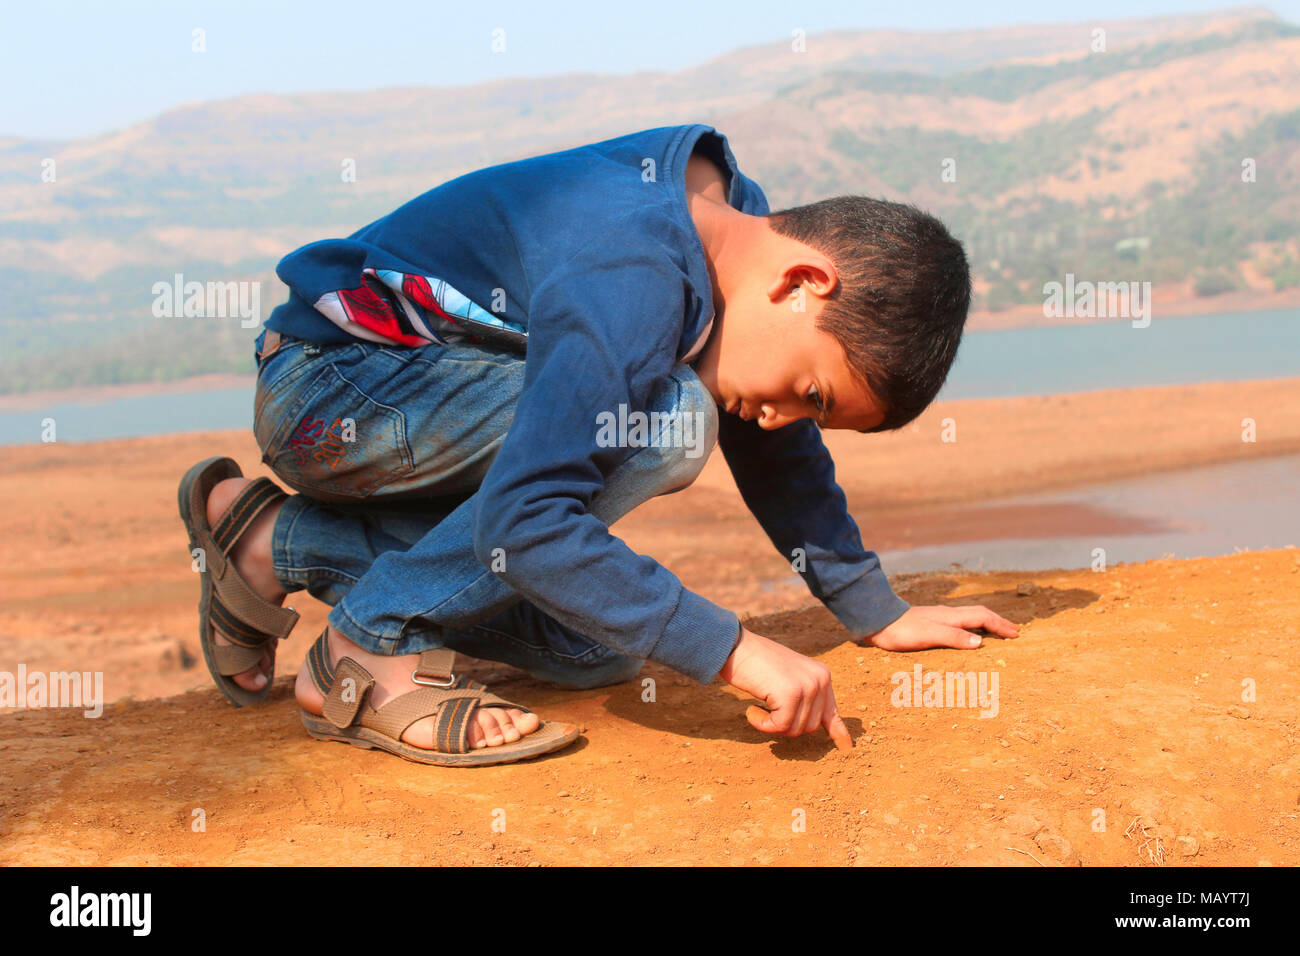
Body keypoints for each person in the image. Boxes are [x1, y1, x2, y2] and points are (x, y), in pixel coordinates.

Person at [177, 123, 1018, 767]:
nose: (777, 419)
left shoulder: (736, 230)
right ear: (802, 283)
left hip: (415, 405)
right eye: (809, 394)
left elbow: (775, 453)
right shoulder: (638, 263)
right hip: (335, 391)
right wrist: (735, 649)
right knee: (673, 421)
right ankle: (369, 644)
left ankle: (267, 542)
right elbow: (525, 522)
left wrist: (873, 608)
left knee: (600, 650)